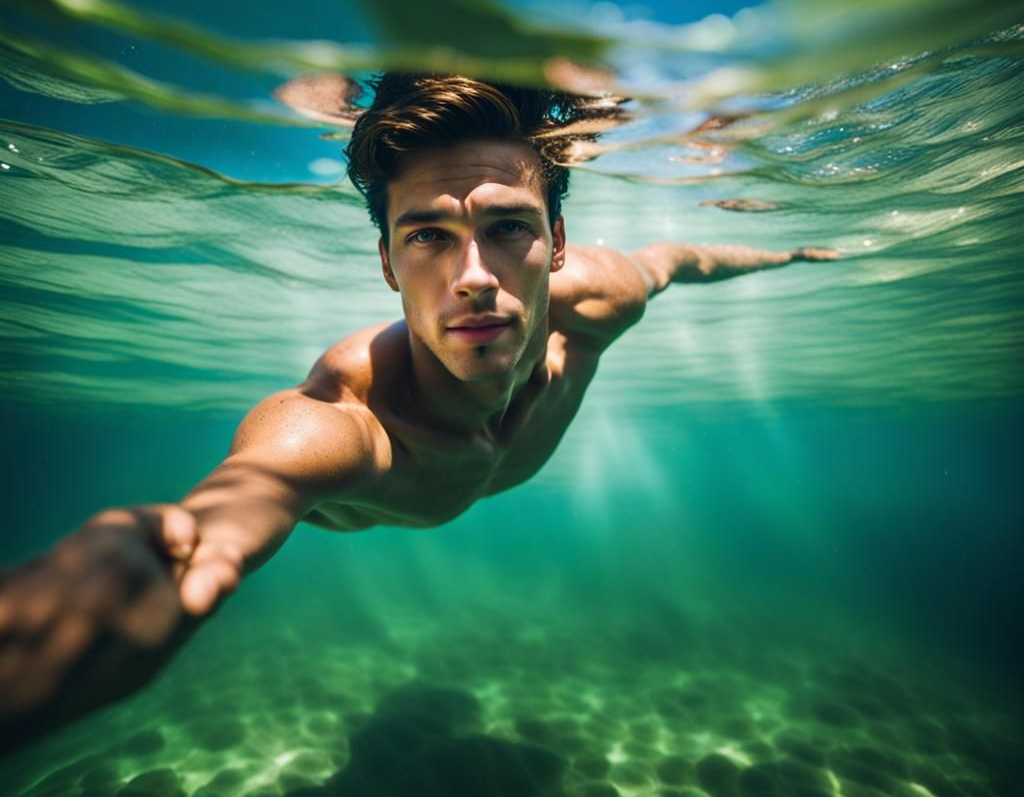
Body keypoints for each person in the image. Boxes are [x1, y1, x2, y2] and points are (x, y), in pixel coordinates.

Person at [0, 73, 838, 751]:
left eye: (508, 227)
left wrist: (790, 250)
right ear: (387, 265)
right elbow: (247, 491)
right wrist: (170, 555)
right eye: (428, 236)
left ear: (559, 239)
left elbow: (679, 258)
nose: (473, 273)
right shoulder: (345, 420)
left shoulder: (598, 302)